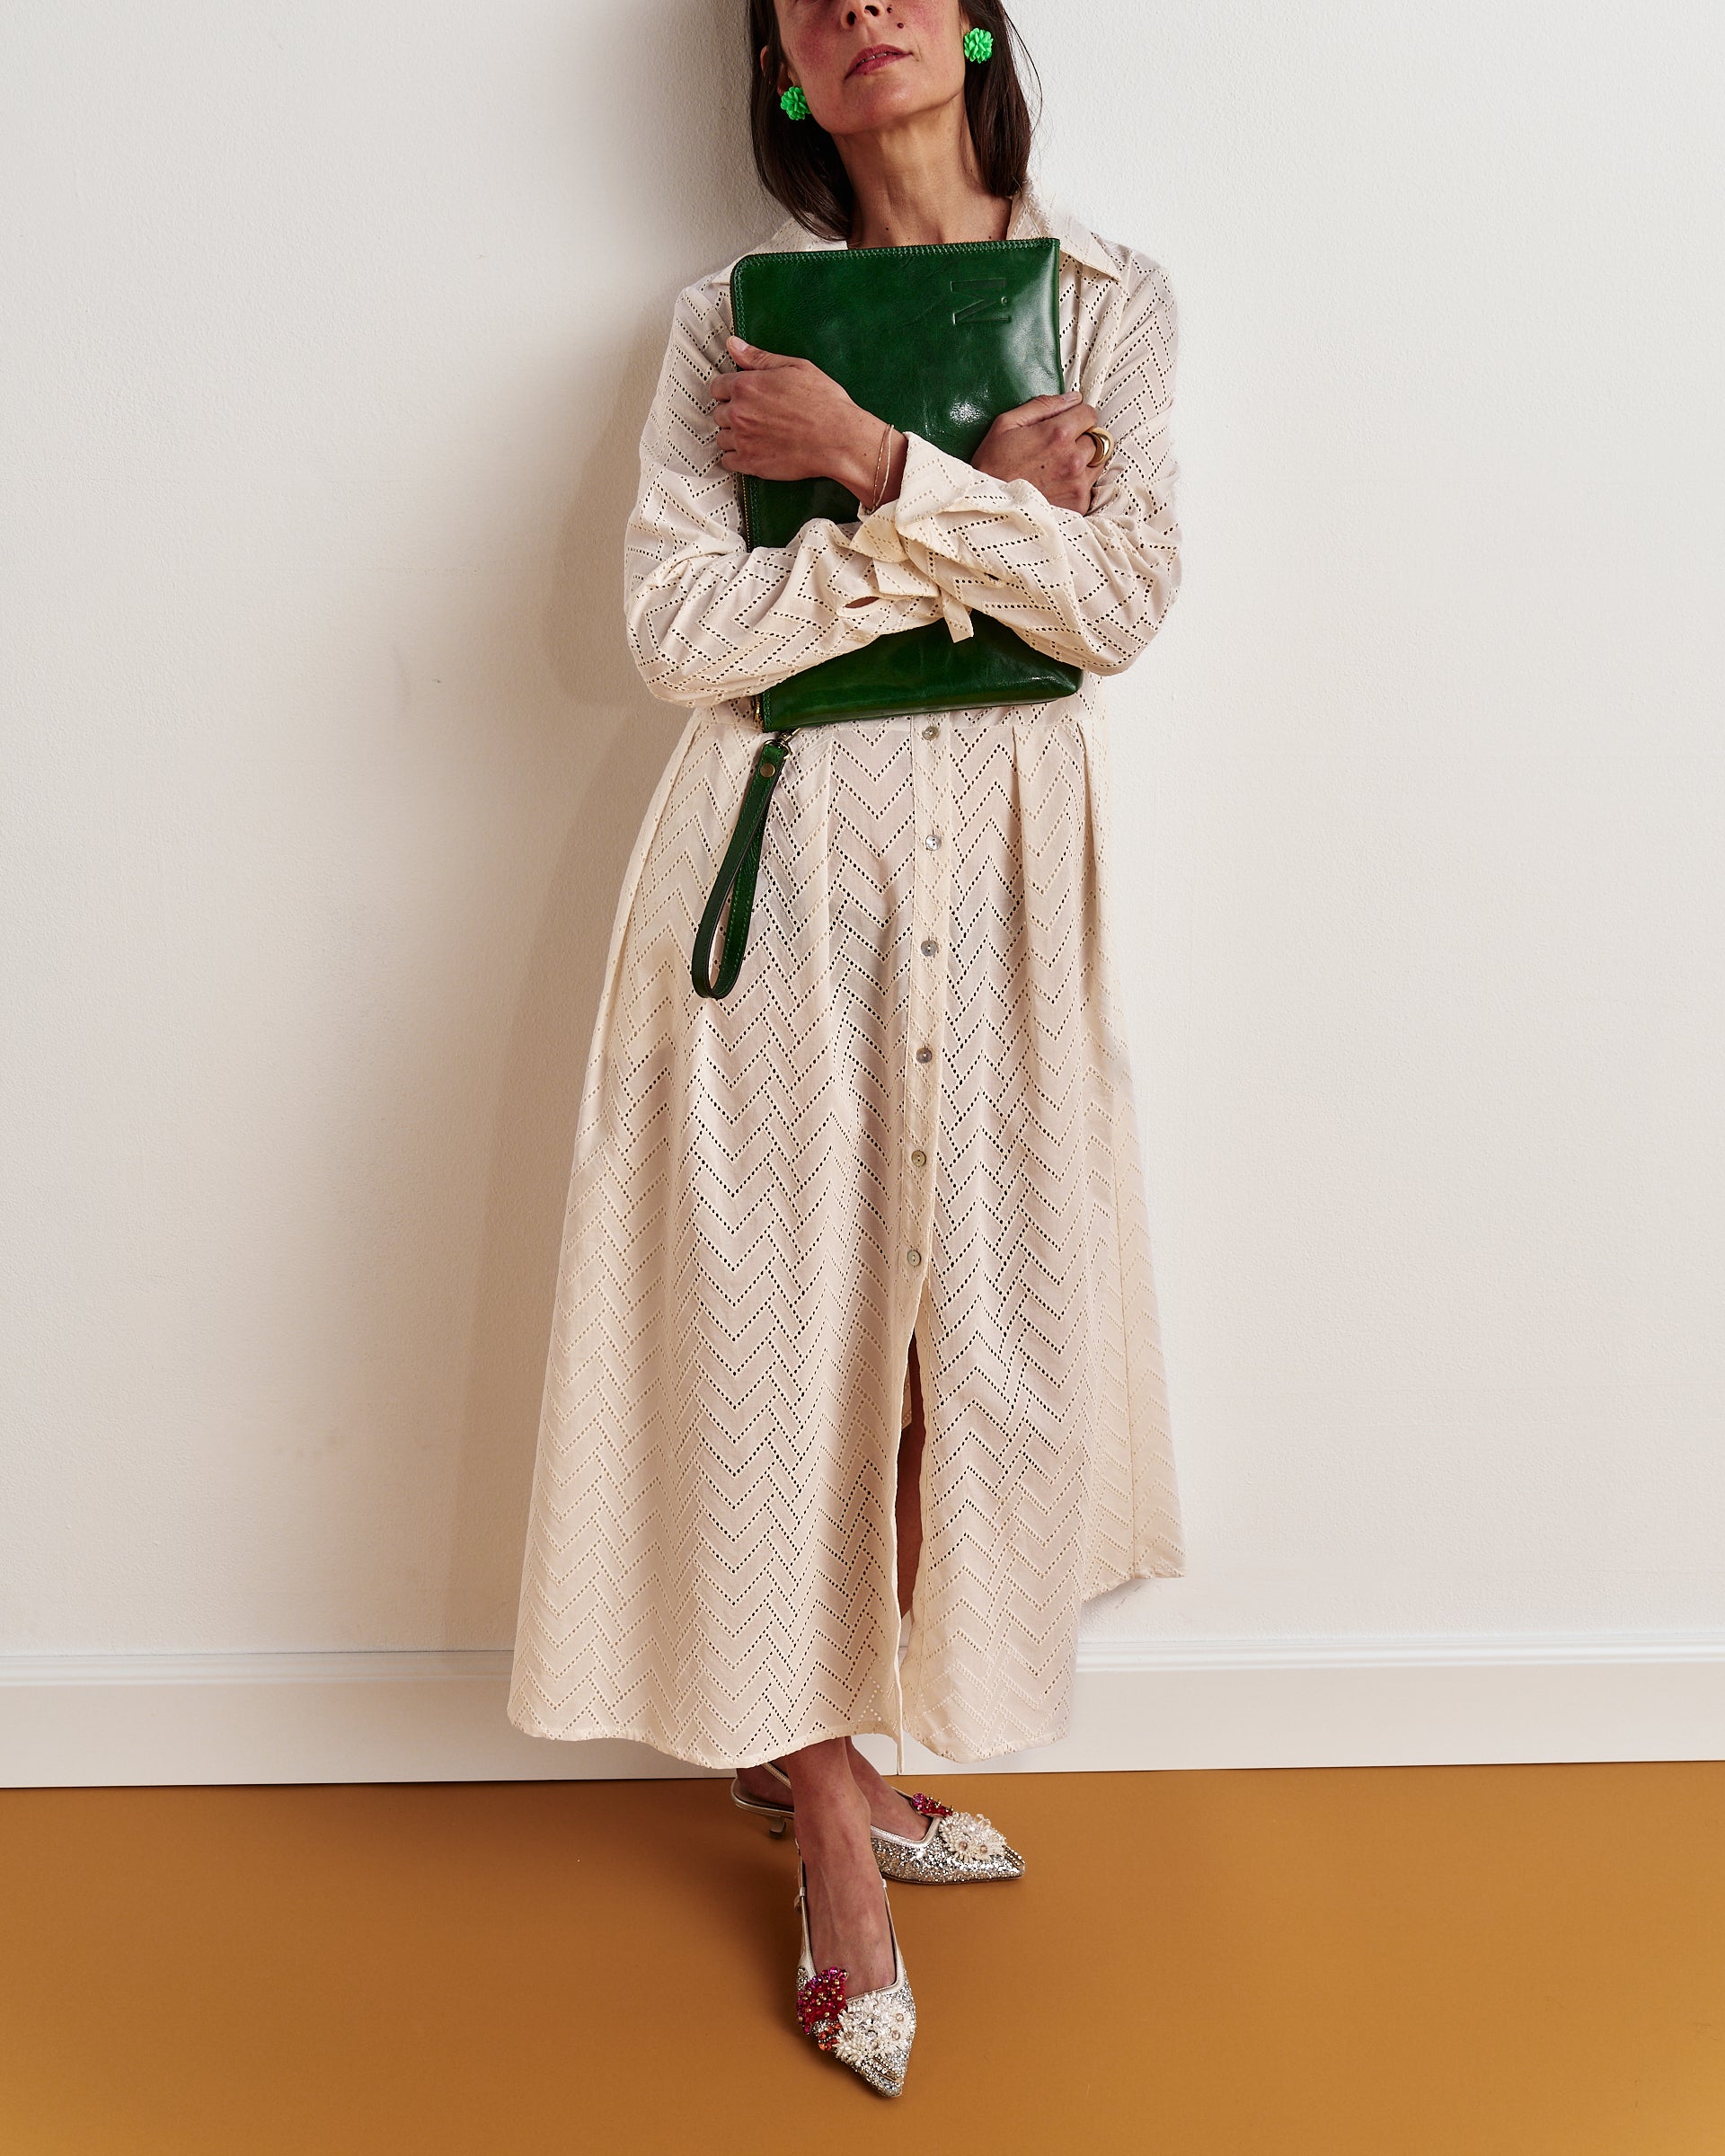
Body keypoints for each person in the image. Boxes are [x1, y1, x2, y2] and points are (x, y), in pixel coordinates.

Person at [508, 0, 1188, 2095]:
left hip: (1005, 875)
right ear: (787, 72)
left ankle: (842, 1747)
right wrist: (970, 520)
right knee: (772, 1337)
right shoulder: (732, 329)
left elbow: (1121, 605)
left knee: (951, 1350)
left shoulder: (1108, 303)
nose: (857, 6)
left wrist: (874, 472)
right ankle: (823, 1816)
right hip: (779, 863)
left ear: (972, 25)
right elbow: (683, 638)